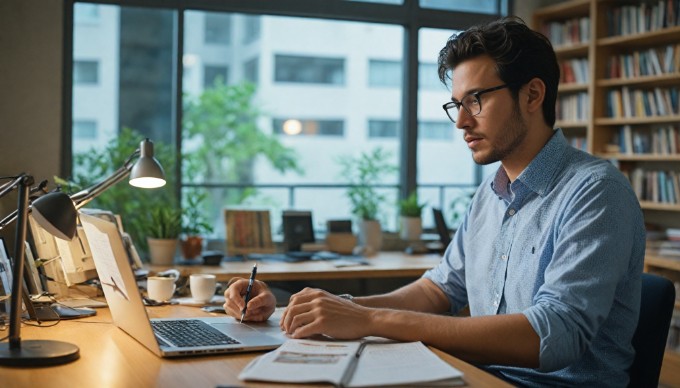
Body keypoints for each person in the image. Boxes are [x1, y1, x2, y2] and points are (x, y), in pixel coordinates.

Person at [223, 16, 645, 387]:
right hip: (473, 374)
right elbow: (437, 290)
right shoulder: (490, 194)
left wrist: (370, 320)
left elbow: (555, 335)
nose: (461, 121)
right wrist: (320, 309)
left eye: (476, 100)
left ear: (533, 96)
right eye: (457, 105)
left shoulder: (596, 191)